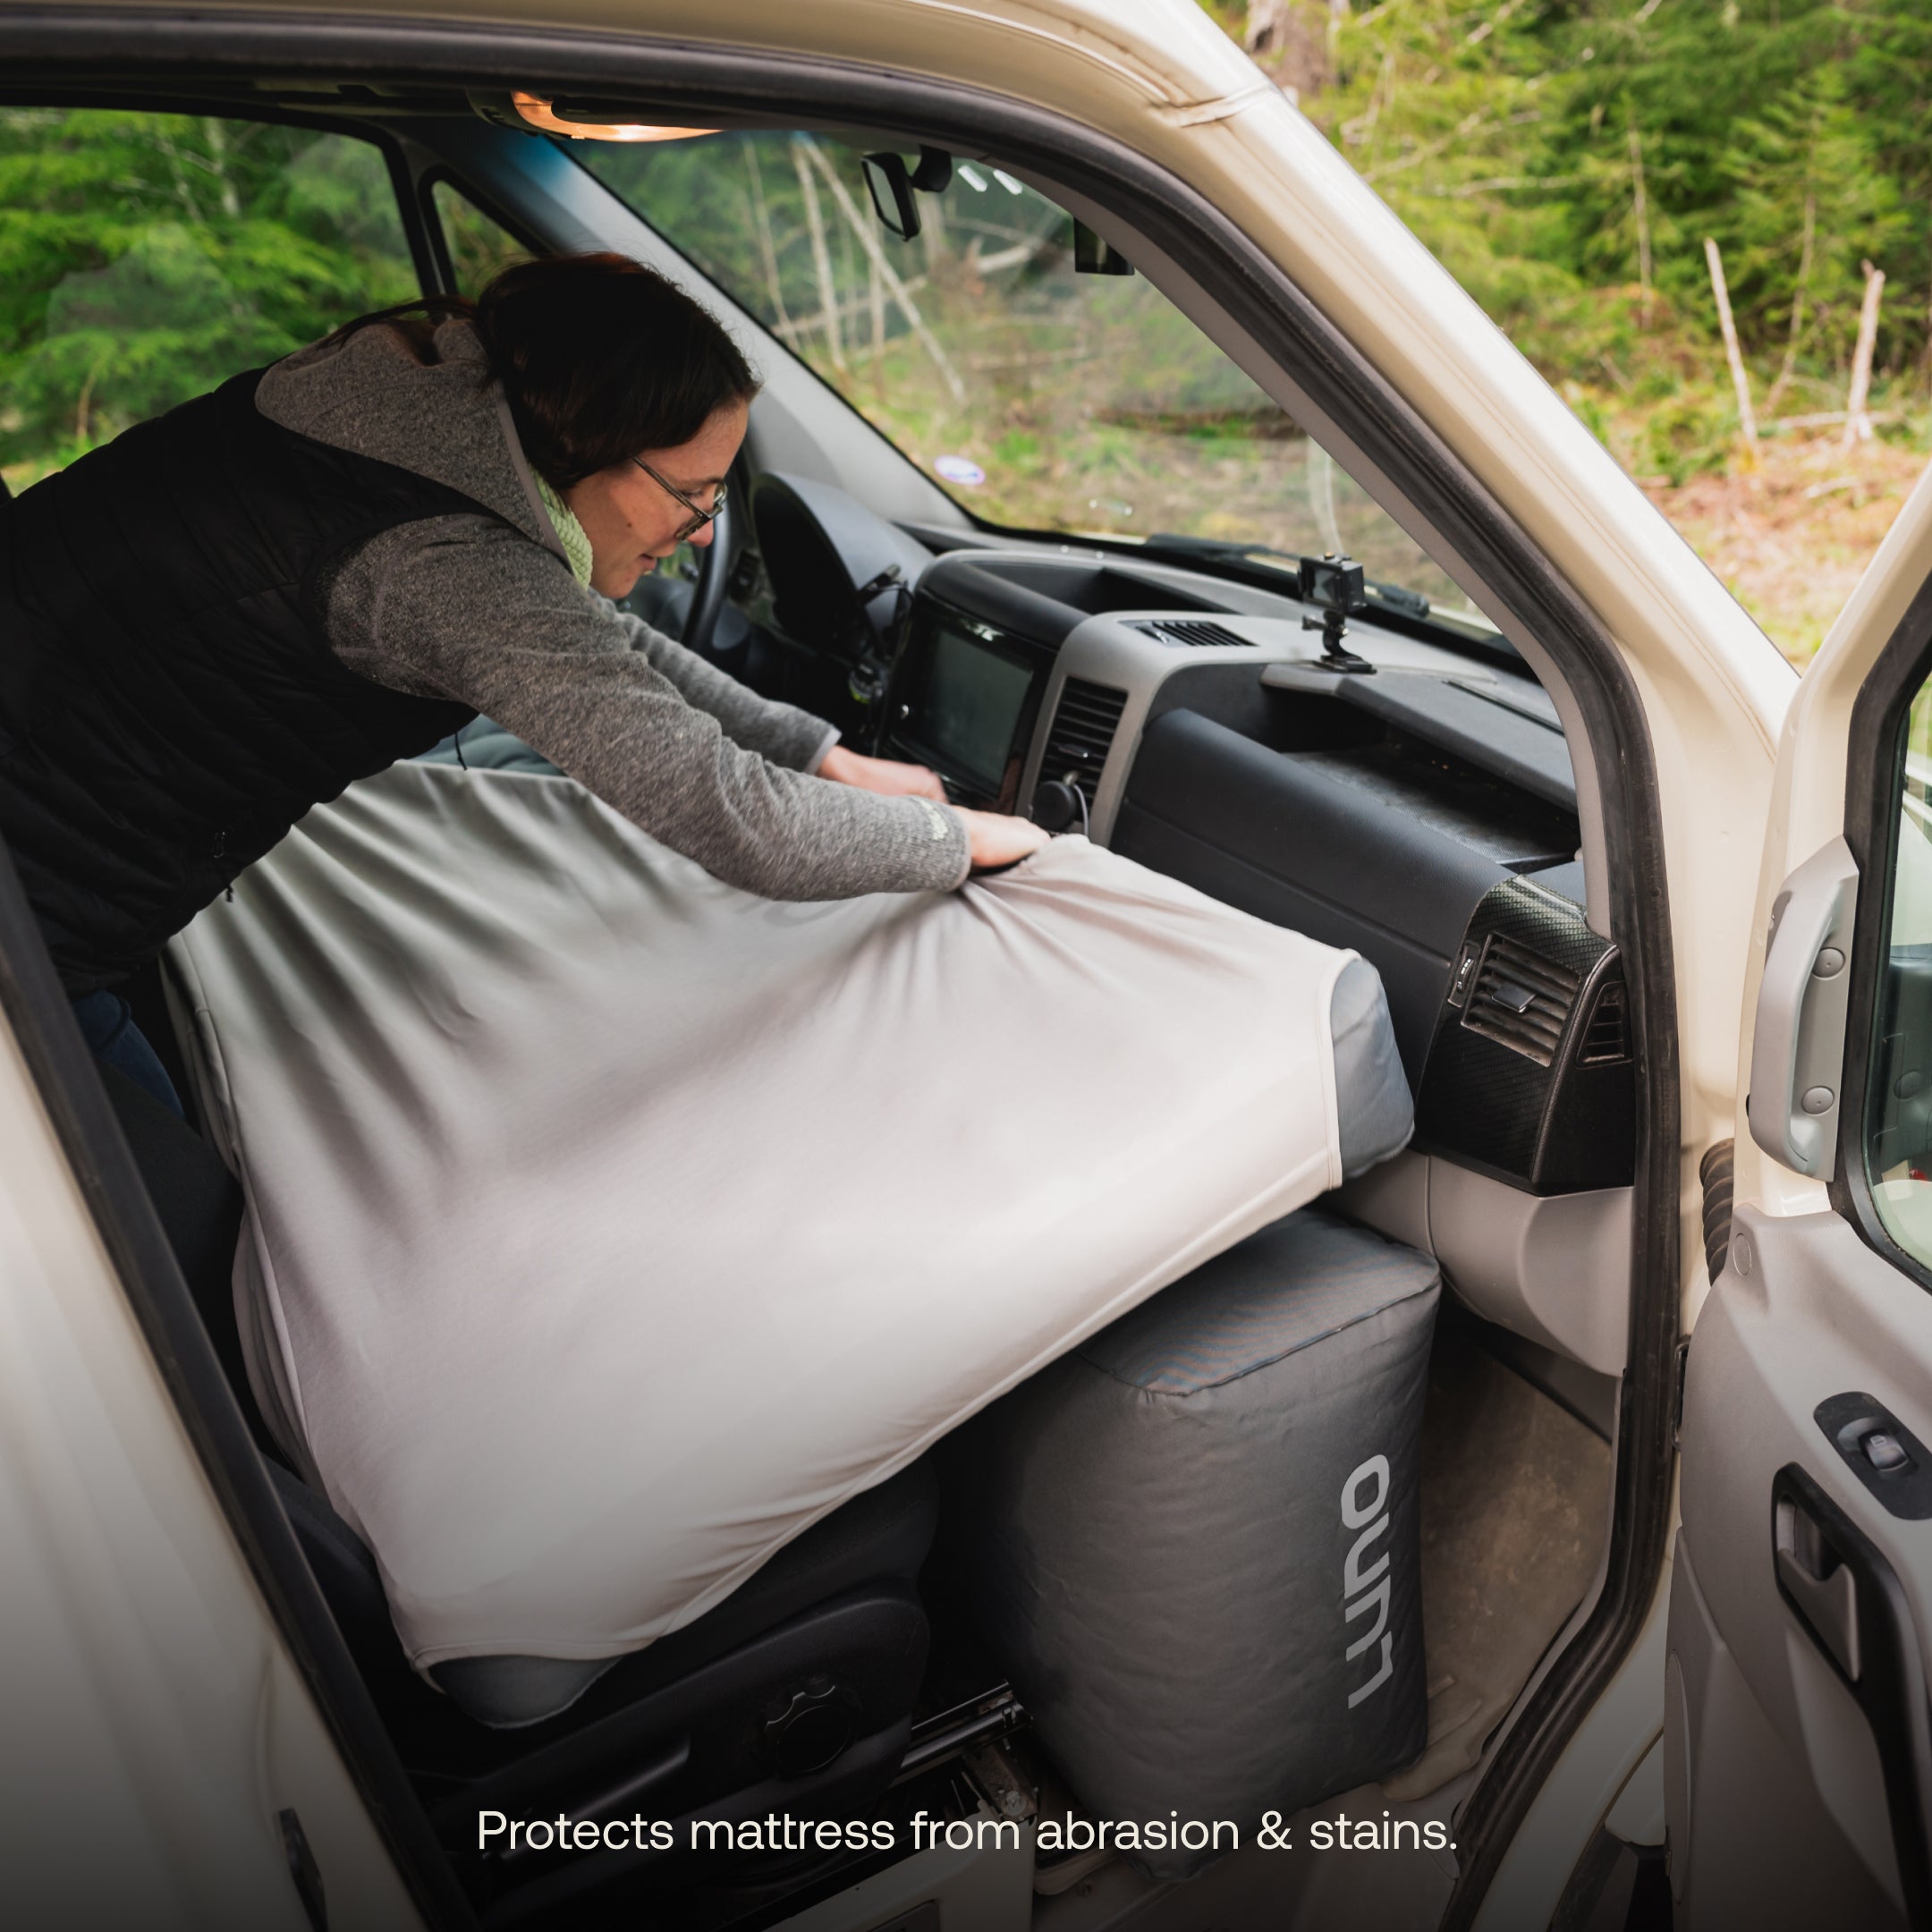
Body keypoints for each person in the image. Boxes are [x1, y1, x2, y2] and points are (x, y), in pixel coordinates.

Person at [0, 254, 1048, 1106]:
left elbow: (587, 639)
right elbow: (731, 818)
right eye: (693, 495)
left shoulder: (409, 404)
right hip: (32, 912)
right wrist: (959, 839)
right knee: (169, 1246)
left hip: (50, 819)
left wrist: (822, 754)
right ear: (591, 447)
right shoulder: (445, 562)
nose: (701, 533)